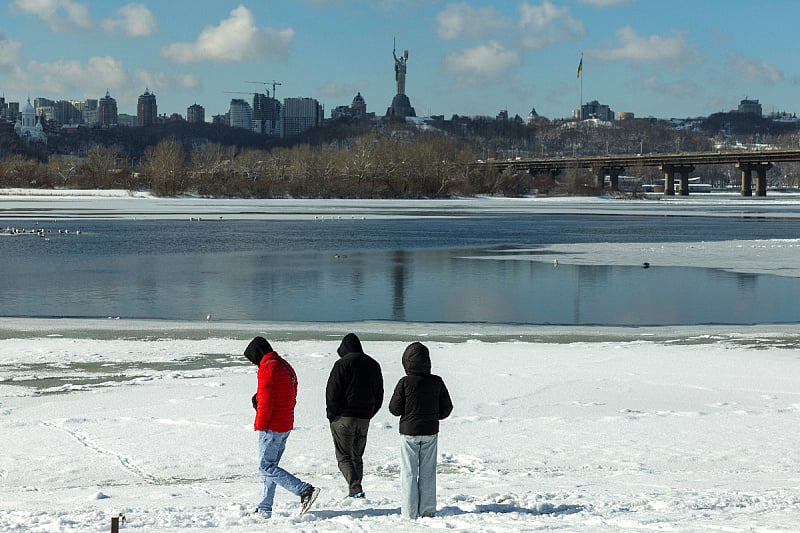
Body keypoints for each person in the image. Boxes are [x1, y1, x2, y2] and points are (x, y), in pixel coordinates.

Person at [244, 336, 319, 518]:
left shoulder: (267, 367)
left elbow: (267, 401)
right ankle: (264, 508)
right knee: (271, 467)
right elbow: (289, 392)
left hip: (271, 426)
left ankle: (304, 490)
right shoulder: (283, 365)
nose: (254, 364)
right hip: (284, 423)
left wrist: (260, 424)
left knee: (266, 467)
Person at [389, 341, 453, 519]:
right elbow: (447, 408)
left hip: (409, 433)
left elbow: (394, 409)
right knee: (428, 472)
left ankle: (409, 513)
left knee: (409, 473)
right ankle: (427, 511)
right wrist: (432, 416)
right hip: (430, 431)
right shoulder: (436, 381)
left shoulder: (404, 383)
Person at [325, 333, 384, 498]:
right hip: (364, 418)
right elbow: (379, 394)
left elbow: (332, 392)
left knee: (344, 457)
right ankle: (356, 491)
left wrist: (332, 415)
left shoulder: (341, 364)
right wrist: (369, 413)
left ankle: (355, 489)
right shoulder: (373, 365)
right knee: (357, 456)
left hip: (344, 417)